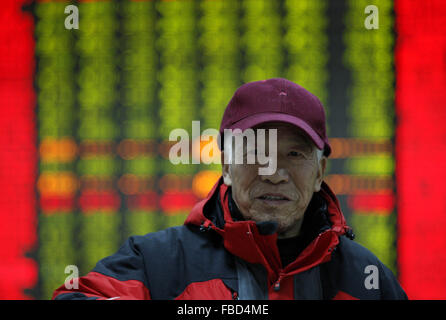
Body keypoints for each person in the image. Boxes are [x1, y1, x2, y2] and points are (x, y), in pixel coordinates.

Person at [52, 78, 407, 300]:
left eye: (295, 154)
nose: (274, 173)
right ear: (226, 166)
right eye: (256, 152)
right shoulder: (157, 263)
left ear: (320, 173)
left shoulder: (367, 280)